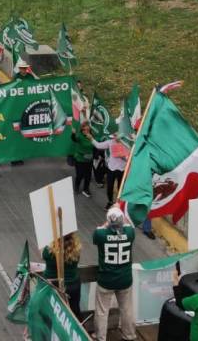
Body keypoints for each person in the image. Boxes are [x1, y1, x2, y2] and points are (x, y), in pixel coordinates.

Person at [93, 208, 137, 341]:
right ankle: (129, 335)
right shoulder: (130, 232)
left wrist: (108, 222)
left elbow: (101, 228)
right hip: (124, 279)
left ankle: (100, 337)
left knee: (102, 311)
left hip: (106, 279)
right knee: (126, 309)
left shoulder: (99, 234)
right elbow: (128, 223)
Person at [43, 232, 83, 319]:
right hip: (73, 285)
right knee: (74, 310)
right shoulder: (76, 250)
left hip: (53, 285)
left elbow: (43, 255)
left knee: (51, 310)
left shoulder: (48, 251)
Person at [92, 133, 129, 205]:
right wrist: (91, 139)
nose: (116, 138)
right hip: (111, 169)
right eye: (114, 136)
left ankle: (120, 204)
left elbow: (129, 157)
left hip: (122, 169)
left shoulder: (126, 143)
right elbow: (98, 145)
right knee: (109, 187)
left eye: (117, 136)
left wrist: (123, 156)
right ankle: (110, 202)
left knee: (121, 188)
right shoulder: (110, 142)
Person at [70, 123, 95, 197]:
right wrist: (73, 134)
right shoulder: (79, 136)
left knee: (88, 176)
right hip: (80, 160)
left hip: (89, 160)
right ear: (82, 130)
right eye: (84, 129)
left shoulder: (91, 136)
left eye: (88, 129)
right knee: (80, 175)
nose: (86, 131)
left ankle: (86, 189)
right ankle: (76, 187)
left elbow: (96, 143)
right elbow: (74, 139)